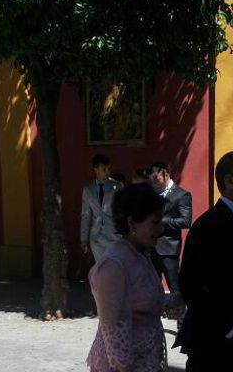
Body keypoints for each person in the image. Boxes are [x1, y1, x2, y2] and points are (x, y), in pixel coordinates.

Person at [175, 150, 233, 372]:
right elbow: (190, 284)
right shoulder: (208, 226)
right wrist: (229, 326)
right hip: (212, 345)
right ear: (229, 181)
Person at [87, 183, 182, 372]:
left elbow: (147, 301)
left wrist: (185, 295)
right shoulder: (114, 265)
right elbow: (113, 328)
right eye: (154, 223)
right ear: (132, 223)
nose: (160, 229)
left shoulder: (139, 254)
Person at [149, 162, 192, 294]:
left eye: (157, 178)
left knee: (174, 285)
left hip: (169, 248)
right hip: (152, 246)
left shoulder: (181, 195)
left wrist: (162, 222)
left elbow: (186, 221)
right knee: (153, 284)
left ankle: (179, 312)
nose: (154, 182)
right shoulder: (153, 193)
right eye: (152, 179)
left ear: (166, 175)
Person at [80, 154, 124, 261]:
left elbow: (122, 211)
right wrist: (84, 238)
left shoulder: (117, 186)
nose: (107, 172)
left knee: (115, 266)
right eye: (104, 169)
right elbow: (86, 215)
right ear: (96, 170)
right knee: (100, 268)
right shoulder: (88, 189)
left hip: (113, 235)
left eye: (108, 169)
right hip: (96, 236)